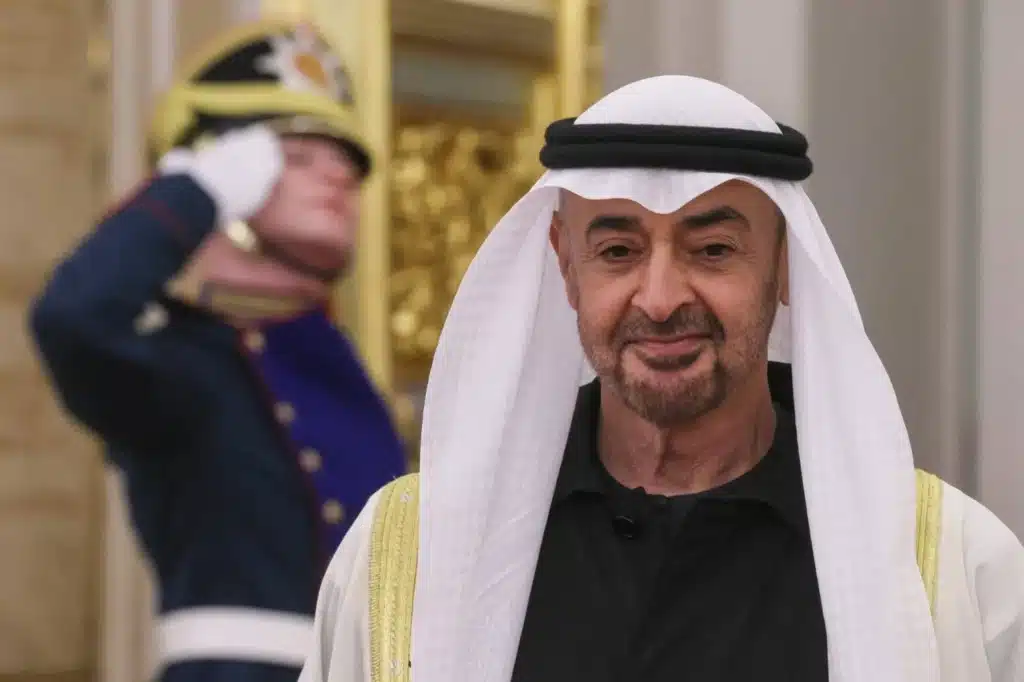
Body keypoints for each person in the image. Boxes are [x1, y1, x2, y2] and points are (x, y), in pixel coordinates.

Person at [298, 76, 1024, 682]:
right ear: (565, 262)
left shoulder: (951, 565)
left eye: (712, 249)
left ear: (784, 265)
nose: (660, 297)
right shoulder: (408, 552)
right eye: (617, 248)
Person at [28, 18, 407, 682]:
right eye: (296, 156)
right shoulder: (183, 361)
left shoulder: (337, 363)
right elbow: (72, 317)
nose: (338, 175)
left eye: (345, 162)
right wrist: (192, 195)